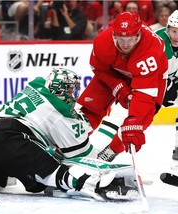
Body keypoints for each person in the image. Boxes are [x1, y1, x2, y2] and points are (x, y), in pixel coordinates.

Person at [0, 68, 139, 201]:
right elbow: (89, 159)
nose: (73, 95)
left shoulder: (36, 84)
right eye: (71, 91)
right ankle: (95, 184)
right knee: (52, 174)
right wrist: (116, 144)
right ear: (62, 91)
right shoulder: (61, 115)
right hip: (11, 140)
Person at [76, 11, 168, 161]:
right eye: (121, 39)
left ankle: (110, 152)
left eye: (131, 39)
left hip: (152, 76)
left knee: (140, 121)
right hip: (115, 71)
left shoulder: (151, 48)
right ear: (114, 35)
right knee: (91, 107)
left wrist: (133, 119)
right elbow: (98, 69)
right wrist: (117, 86)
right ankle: (70, 144)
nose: (126, 44)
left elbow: (144, 94)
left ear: (138, 35)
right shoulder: (102, 41)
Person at [155, 10, 178, 178]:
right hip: (149, 85)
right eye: (174, 31)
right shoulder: (159, 40)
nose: (176, 35)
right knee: (134, 122)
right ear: (167, 28)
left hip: (171, 82)